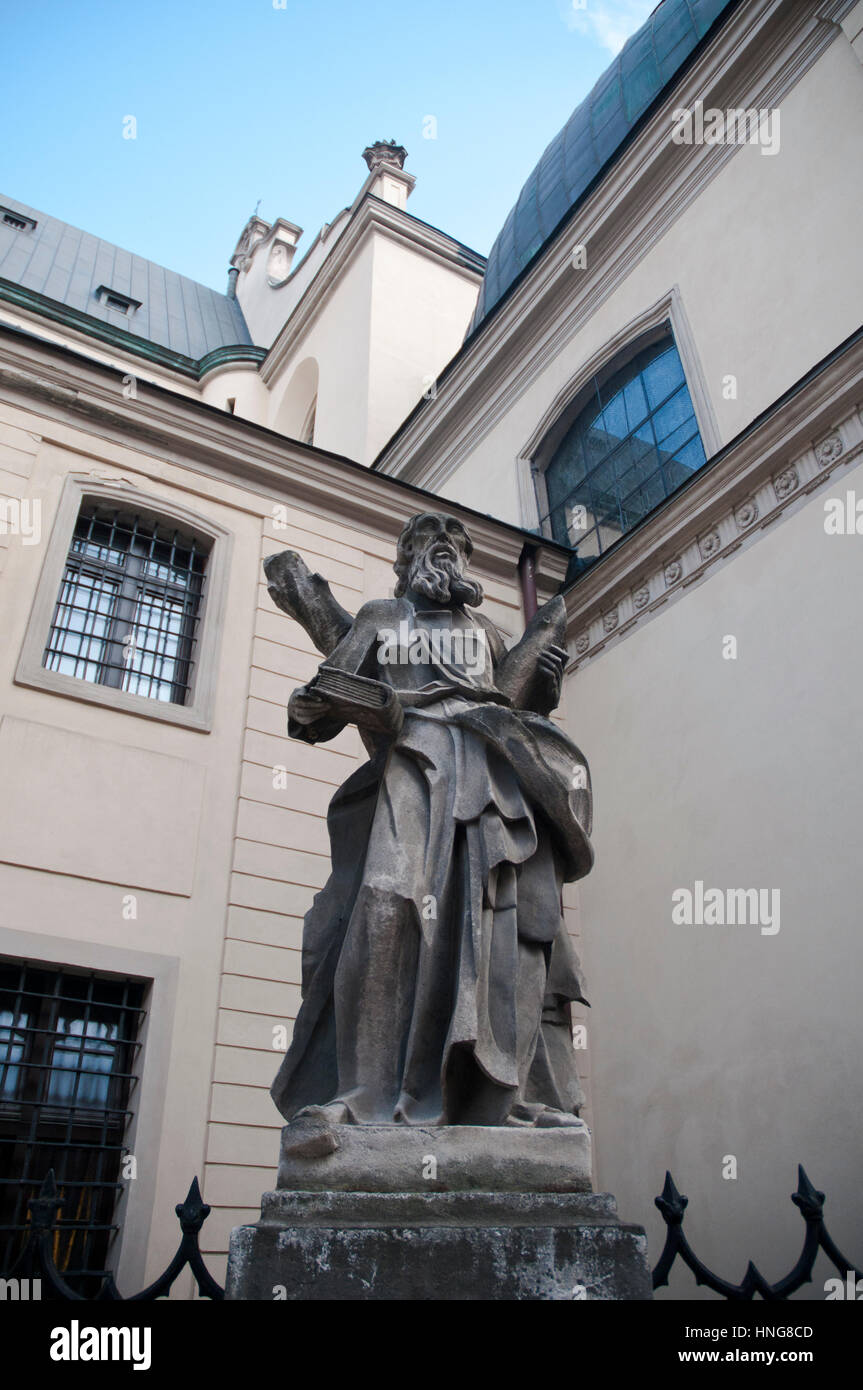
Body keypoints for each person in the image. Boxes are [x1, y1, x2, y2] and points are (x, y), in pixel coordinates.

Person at [270, 511, 593, 1128]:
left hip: (493, 771)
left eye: (455, 542)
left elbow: (512, 695)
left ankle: (501, 1099)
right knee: (384, 907)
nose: (443, 547)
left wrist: (545, 688)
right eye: (426, 538)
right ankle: (362, 1097)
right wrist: (322, 703)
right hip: (412, 769)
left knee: (498, 926)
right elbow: (322, 702)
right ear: (404, 559)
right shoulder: (381, 619)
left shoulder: (490, 634)